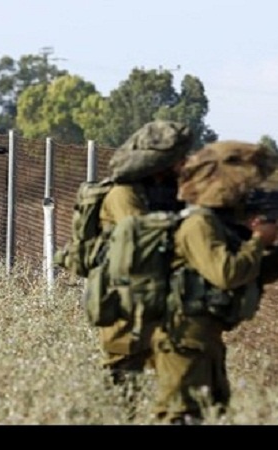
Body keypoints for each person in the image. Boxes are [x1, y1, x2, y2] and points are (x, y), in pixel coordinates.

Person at [150, 140, 278, 425]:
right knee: (181, 417)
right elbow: (227, 274)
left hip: (205, 340)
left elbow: (253, 273)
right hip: (183, 342)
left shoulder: (216, 224)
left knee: (212, 415)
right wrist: (258, 240)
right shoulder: (197, 225)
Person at [95, 120, 194, 411]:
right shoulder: (123, 194)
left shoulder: (168, 191)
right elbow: (139, 237)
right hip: (123, 303)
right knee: (122, 384)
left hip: (162, 300)